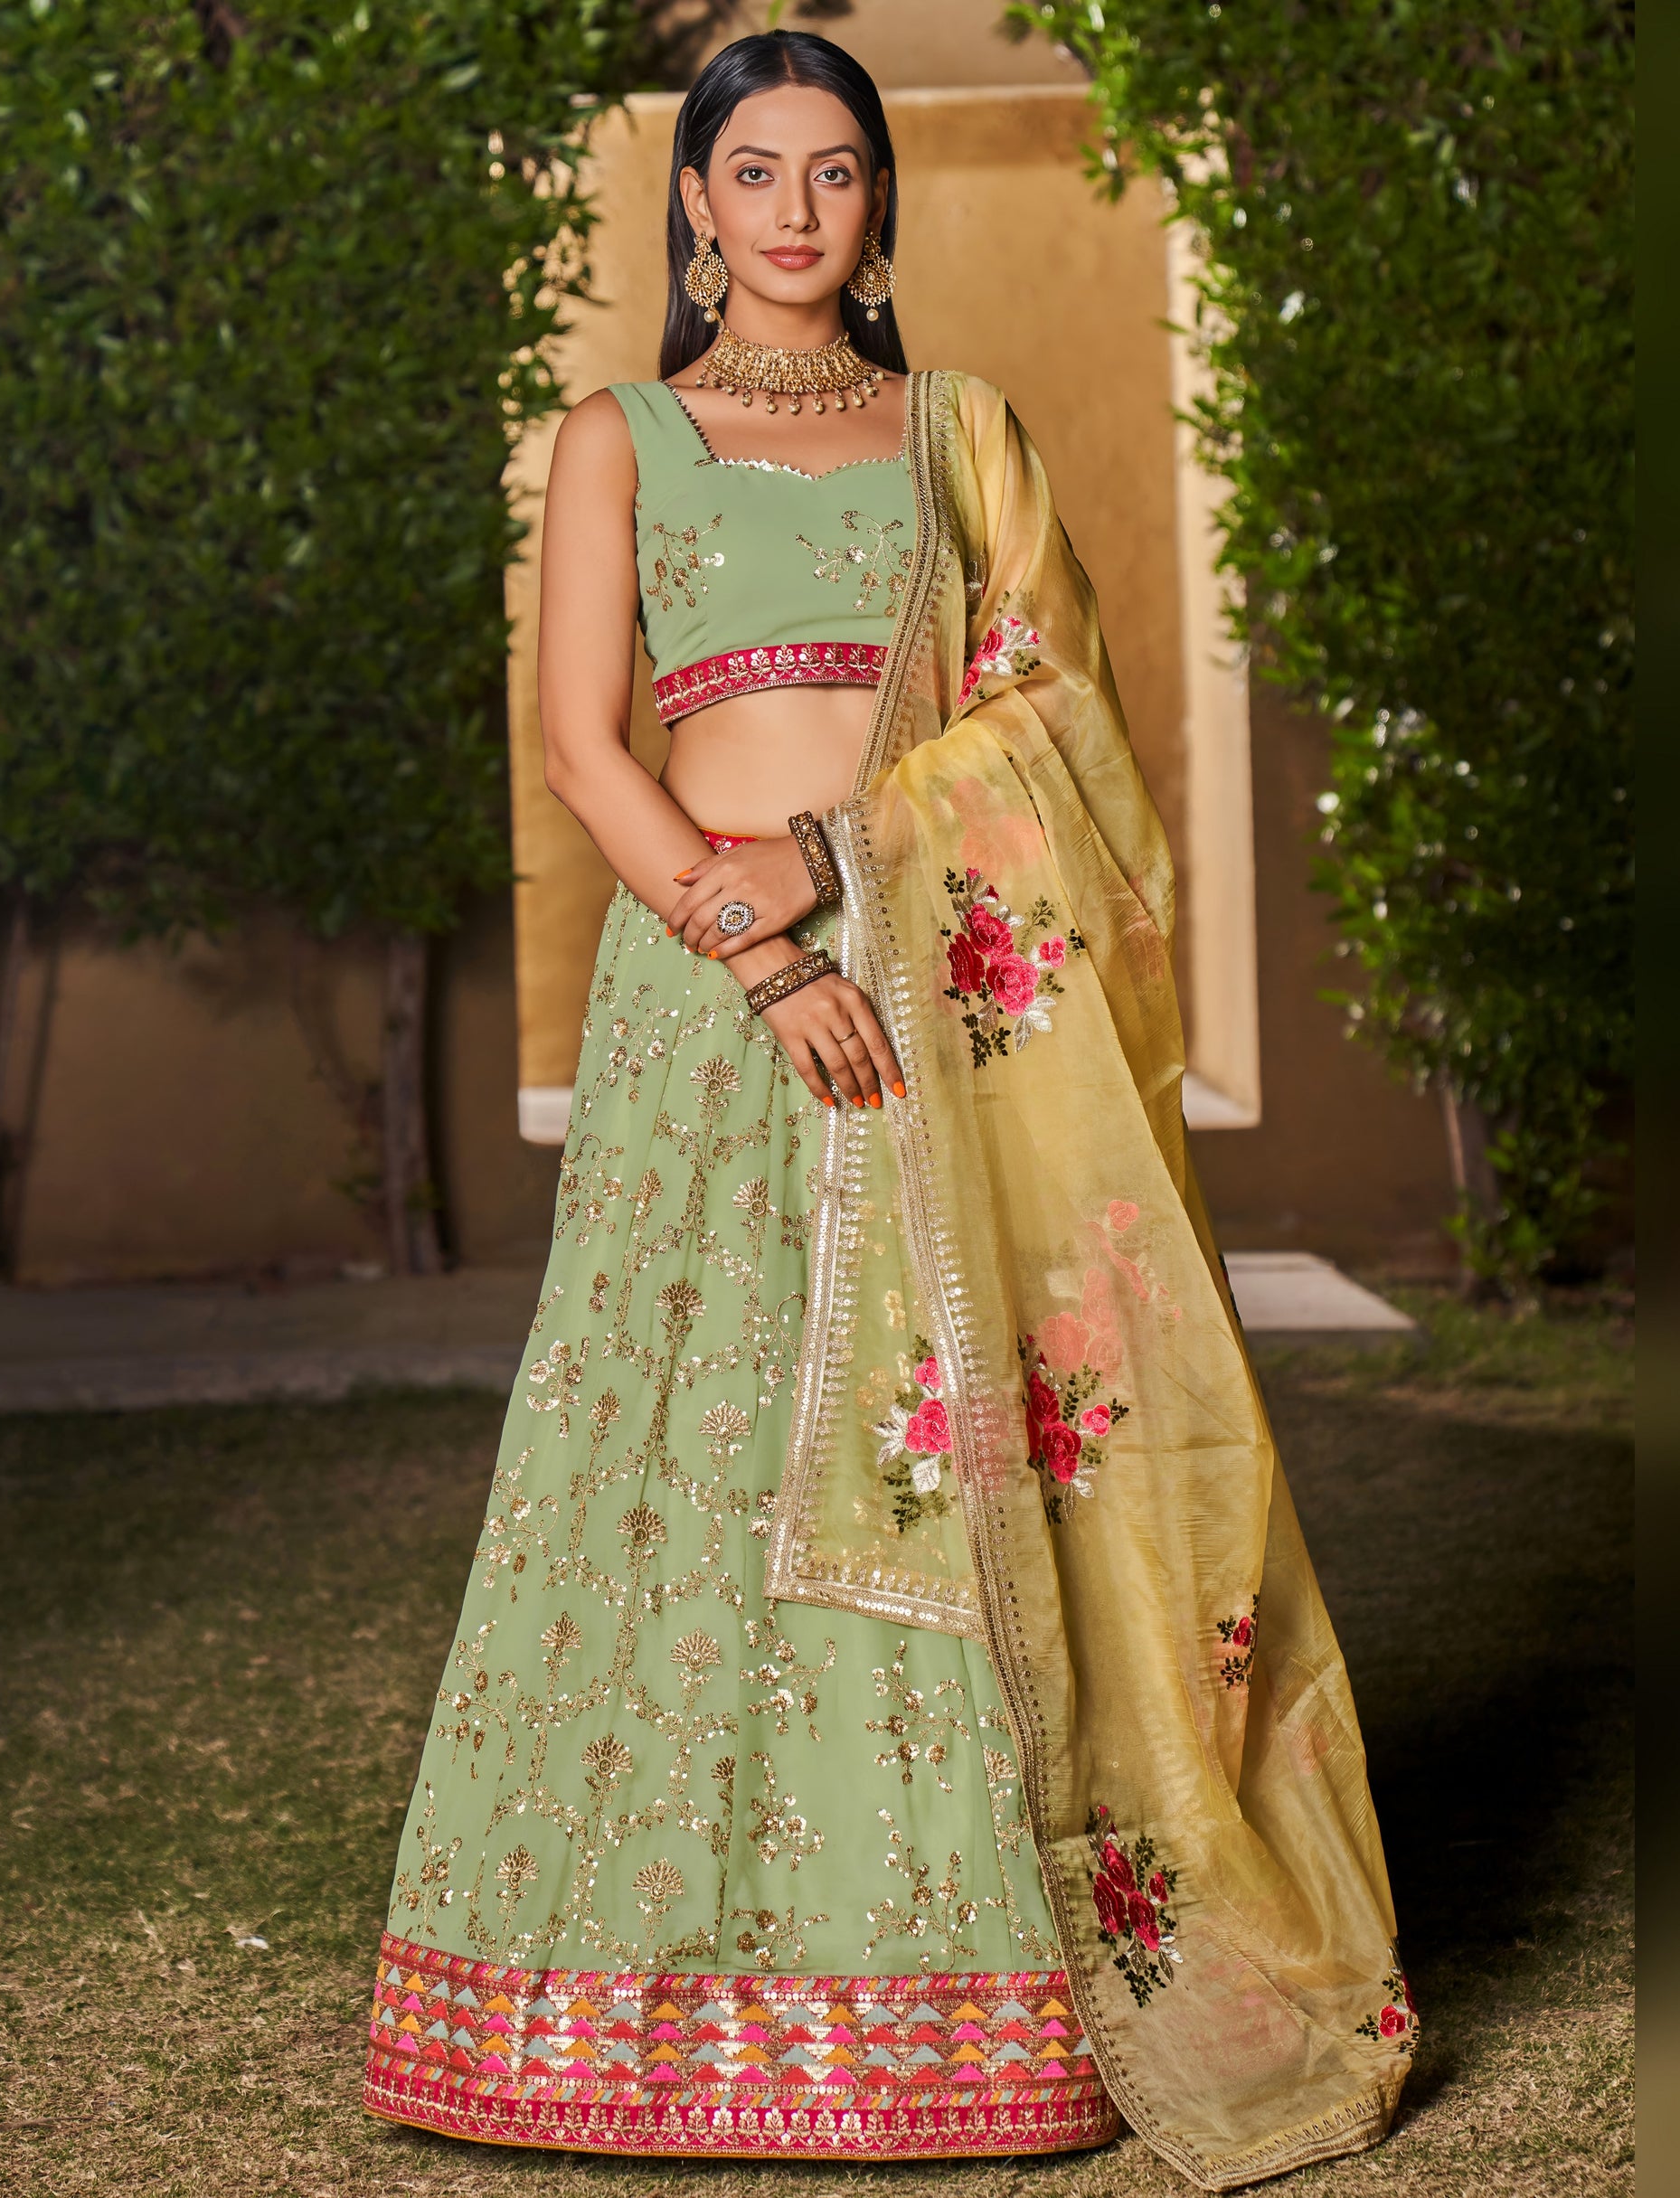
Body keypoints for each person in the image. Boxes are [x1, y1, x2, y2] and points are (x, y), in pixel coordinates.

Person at [363, 30, 1413, 2184]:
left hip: (935, 1003)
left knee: (942, 1458)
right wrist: (753, 958)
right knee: (680, 1456)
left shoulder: (962, 439)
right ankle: (617, 2005)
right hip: (702, 1014)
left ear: (876, 206)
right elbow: (584, 746)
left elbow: (1063, 732)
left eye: (834, 172)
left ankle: (976, 2004)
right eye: (751, 172)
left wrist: (841, 880)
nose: (793, 212)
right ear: (690, 206)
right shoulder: (614, 439)